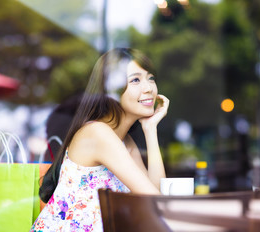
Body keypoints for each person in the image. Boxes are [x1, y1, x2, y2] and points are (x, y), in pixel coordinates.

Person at [30, 48, 169, 231]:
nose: (149, 88)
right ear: (112, 90)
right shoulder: (98, 133)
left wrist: (150, 130)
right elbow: (155, 204)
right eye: (135, 80)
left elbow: (155, 197)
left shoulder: (124, 141)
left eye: (150, 78)